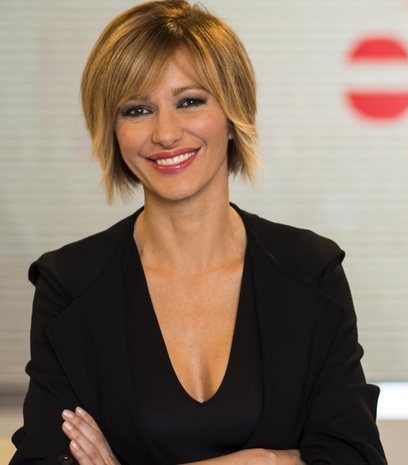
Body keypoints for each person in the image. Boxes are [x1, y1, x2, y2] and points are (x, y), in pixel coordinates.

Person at [10, 1, 387, 464]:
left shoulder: (309, 270)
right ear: (112, 130)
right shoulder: (70, 283)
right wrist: (268, 460)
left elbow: (356, 457)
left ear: (233, 113)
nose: (166, 133)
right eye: (137, 109)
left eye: (189, 101)